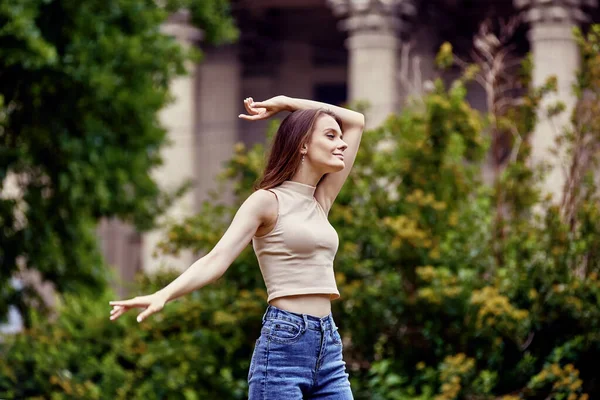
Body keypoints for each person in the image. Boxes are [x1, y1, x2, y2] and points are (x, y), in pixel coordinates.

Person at [109, 95, 365, 399]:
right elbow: (216, 259)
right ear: (303, 145)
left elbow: (356, 121)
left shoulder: (320, 200)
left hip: (329, 344)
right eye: (330, 135)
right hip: (285, 344)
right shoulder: (267, 202)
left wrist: (286, 103)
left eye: (339, 136)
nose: (342, 144)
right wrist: (164, 294)